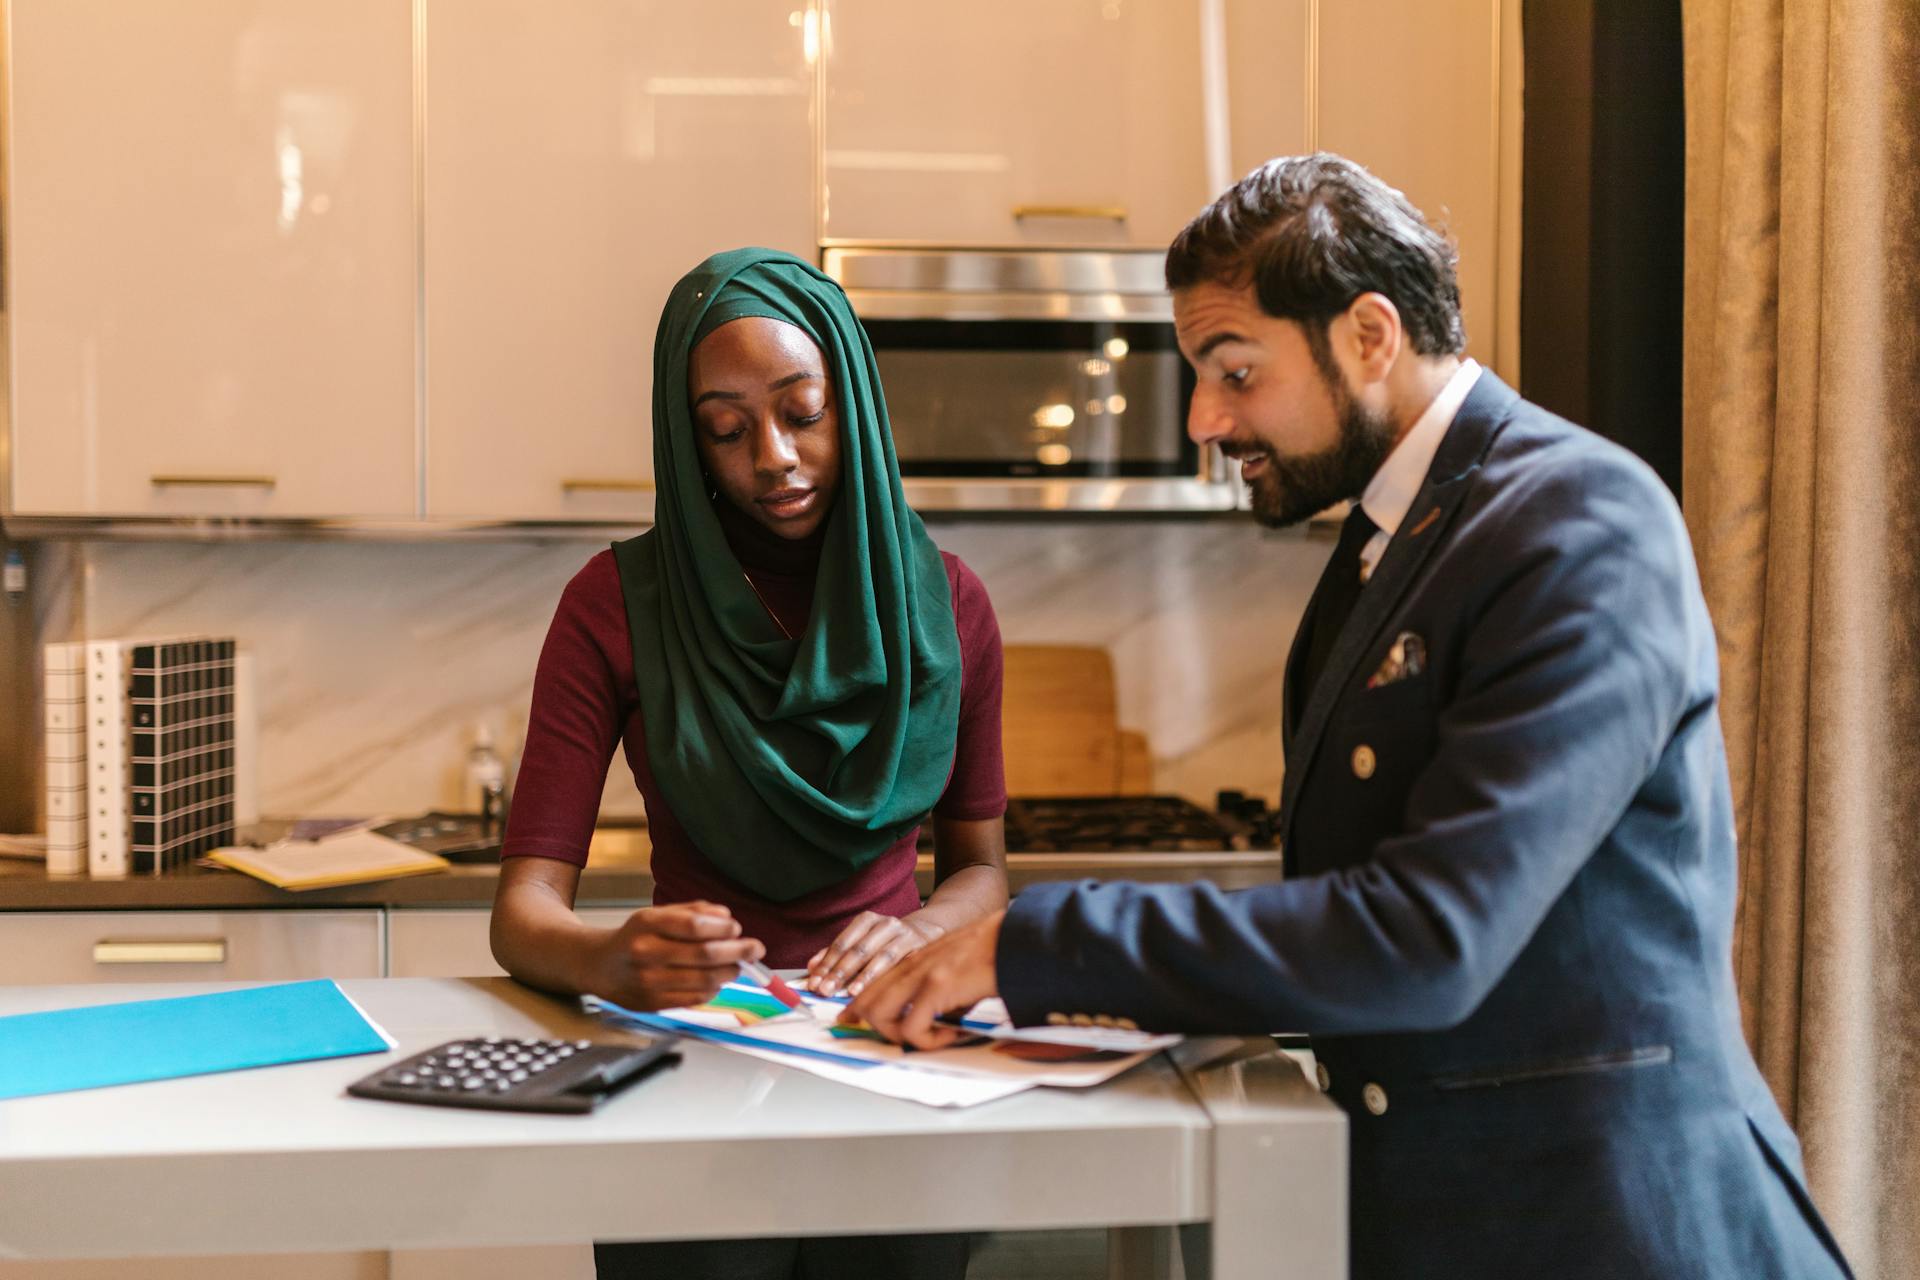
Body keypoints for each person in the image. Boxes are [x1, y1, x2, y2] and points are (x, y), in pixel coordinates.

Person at [848, 155, 1855, 1279]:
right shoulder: (1384, 545)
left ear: (1370, 336)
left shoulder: (1578, 518)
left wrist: (1040, 940)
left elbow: (1427, 936)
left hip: (1615, 1227)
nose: (1204, 418)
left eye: (1235, 370)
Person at [492, 247, 1007, 1279]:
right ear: (688, 447)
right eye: (726, 430)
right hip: (690, 1062)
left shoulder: (948, 605)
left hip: (893, 1052)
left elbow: (981, 870)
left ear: (851, 403)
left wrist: (917, 929)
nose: (771, 455)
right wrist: (607, 959)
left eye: (801, 412)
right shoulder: (613, 606)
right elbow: (522, 910)